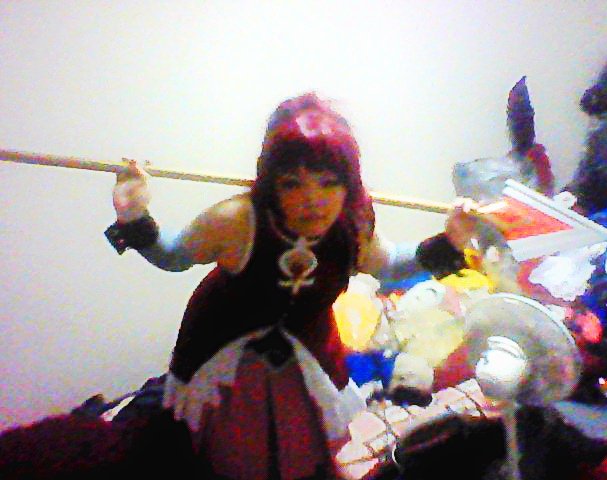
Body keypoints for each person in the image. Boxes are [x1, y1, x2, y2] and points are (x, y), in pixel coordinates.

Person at [105, 92, 476, 479]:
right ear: (272, 184)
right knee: (231, 458)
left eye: (328, 183)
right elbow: (173, 256)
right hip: (224, 351)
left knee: (305, 451)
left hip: (307, 351)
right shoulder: (236, 221)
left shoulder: (354, 224)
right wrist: (134, 215)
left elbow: (391, 265)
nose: (313, 200)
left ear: (348, 184)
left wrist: (449, 241)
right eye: (292, 184)